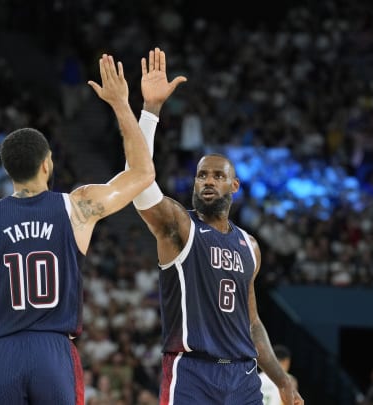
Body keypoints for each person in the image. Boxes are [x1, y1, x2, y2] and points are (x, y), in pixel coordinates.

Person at [0, 53, 156, 405]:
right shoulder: (77, 207)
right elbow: (143, 173)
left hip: (1, 351)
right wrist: (120, 104)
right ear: (47, 164)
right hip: (53, 349)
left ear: (9, 171)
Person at [129, 48, 303, 405]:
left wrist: (283, 381)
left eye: (217, 176)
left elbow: (252, 324)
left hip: (242, 374)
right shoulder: (180, 227)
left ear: (234, 186)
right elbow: (141, 186)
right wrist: (151, 111)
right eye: (201, 175)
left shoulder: (250, 246)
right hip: (192, 371)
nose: (207, 181)